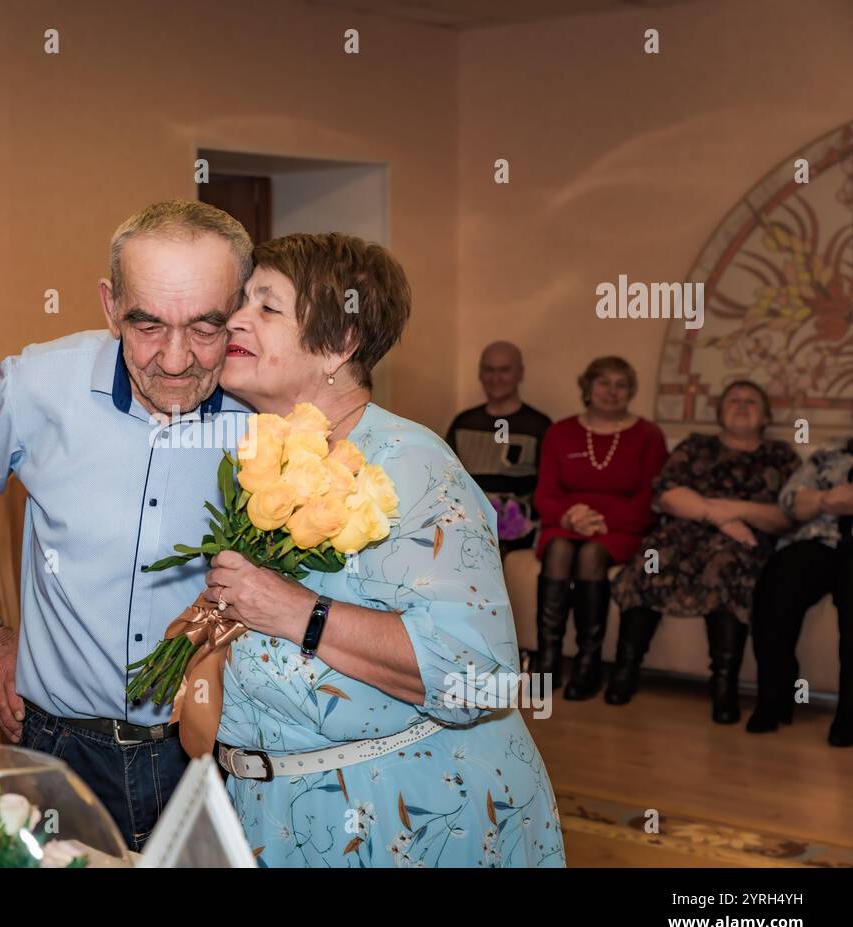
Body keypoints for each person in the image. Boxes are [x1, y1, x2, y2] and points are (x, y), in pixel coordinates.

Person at [181, 233, 564, 867]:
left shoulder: (411, 468)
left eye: (267, 307)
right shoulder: (256, 455)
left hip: (402, 815)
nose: (235, 320)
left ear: (339, 344)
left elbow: (477, 677)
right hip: (278, 814)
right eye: (239, 303)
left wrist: (303, 614)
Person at [0, 200, 254, 849]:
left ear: (238, 313)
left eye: (205, 329)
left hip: (217, 754)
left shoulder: (267, 412)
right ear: (109, 304)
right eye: (147, 324)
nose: (176, 360)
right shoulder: (38, 386)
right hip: (59, 751)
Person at [609, 381, 798, 722]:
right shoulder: (696, 446)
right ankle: (626, 669)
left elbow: (786, 517)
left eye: (751, 401)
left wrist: (730, 510)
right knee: (652, 560)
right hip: (684, 532)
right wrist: (718, 516)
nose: (741, 406)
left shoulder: (781, 455)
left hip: (744, 540)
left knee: (726, 566)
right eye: (733, 400)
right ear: (719, 412)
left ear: (767, 416)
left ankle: (723, 686)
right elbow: (666, 494)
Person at [533, 357, 668, 699]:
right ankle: (547, 660)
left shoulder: (648, 436)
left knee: (591, 555)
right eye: (604, 382)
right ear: (588, 388)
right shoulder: (560, 432)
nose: (612, 391)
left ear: (631, 391)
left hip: (620, 530)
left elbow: (650, 501)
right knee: (560, 549)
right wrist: (567, 518)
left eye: (621, 384)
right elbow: (544, 494)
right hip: (566, 523)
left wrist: (601, 522)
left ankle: (588, 661)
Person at [749, 434, 853, 746]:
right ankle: (775, 698)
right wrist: (825, 500)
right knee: (776, 584)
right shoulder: (831, 452)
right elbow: (790, 500)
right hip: (820, 541)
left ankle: (849, 715)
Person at [445, 342, 552, 554]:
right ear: (480, 374)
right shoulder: (463, 423)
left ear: (520, 373)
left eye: (504, 370)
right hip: (468, 522)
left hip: (520, 529)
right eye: (489, 370)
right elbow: (447, 478)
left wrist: (513, 509)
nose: (496, 378)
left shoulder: (539, 426)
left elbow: (547, 487)